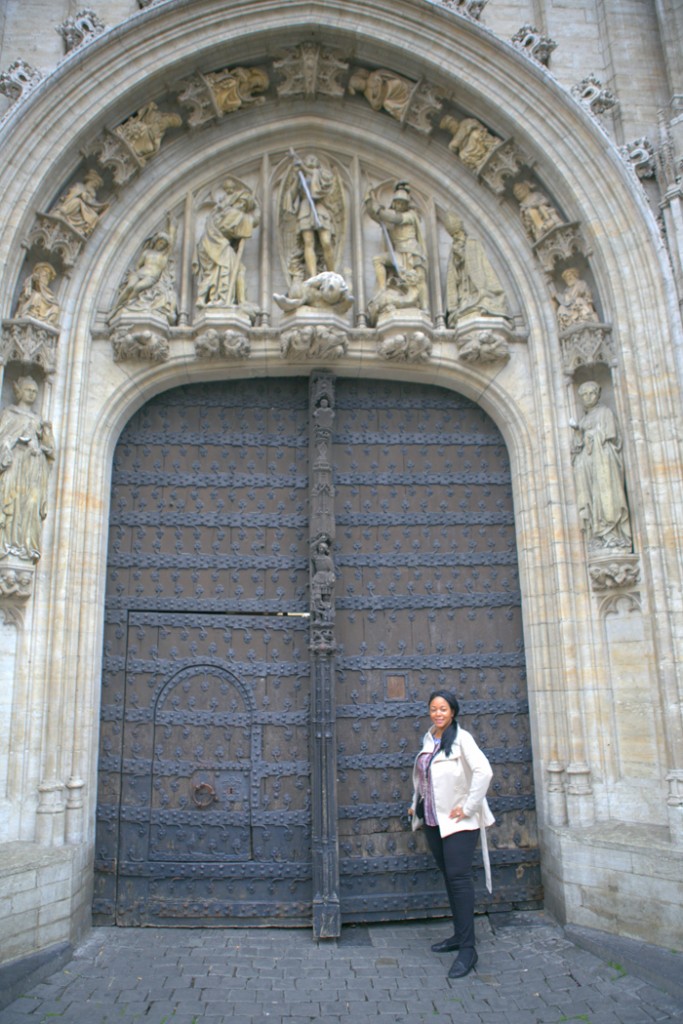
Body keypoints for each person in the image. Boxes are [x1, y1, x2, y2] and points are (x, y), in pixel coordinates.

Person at [409, 690, 494, 979]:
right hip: (434, 820)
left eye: (443, 709)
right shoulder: (430, 737)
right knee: (450, 878)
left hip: (458, 823)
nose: (438, 713)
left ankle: (468, 950)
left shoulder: (462, 739)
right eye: (433, 708)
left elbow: (484, 772)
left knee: (459, 879)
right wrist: (415, 806)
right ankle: (459, 936)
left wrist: (468, 806)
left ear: (453, 712)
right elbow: (424, 777)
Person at [0, 375, 55, 562]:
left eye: (35, 391)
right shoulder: (10, 414)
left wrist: (46, 434)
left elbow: (49, 450)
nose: (32, 394)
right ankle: (9, 546)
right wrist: (14, 443)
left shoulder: (37, 420)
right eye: (29, 390)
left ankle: (25, 546)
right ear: (19, 391)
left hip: (33, 469)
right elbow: (3, 440)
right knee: (12, 502)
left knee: (30, 506)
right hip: (15, 467)